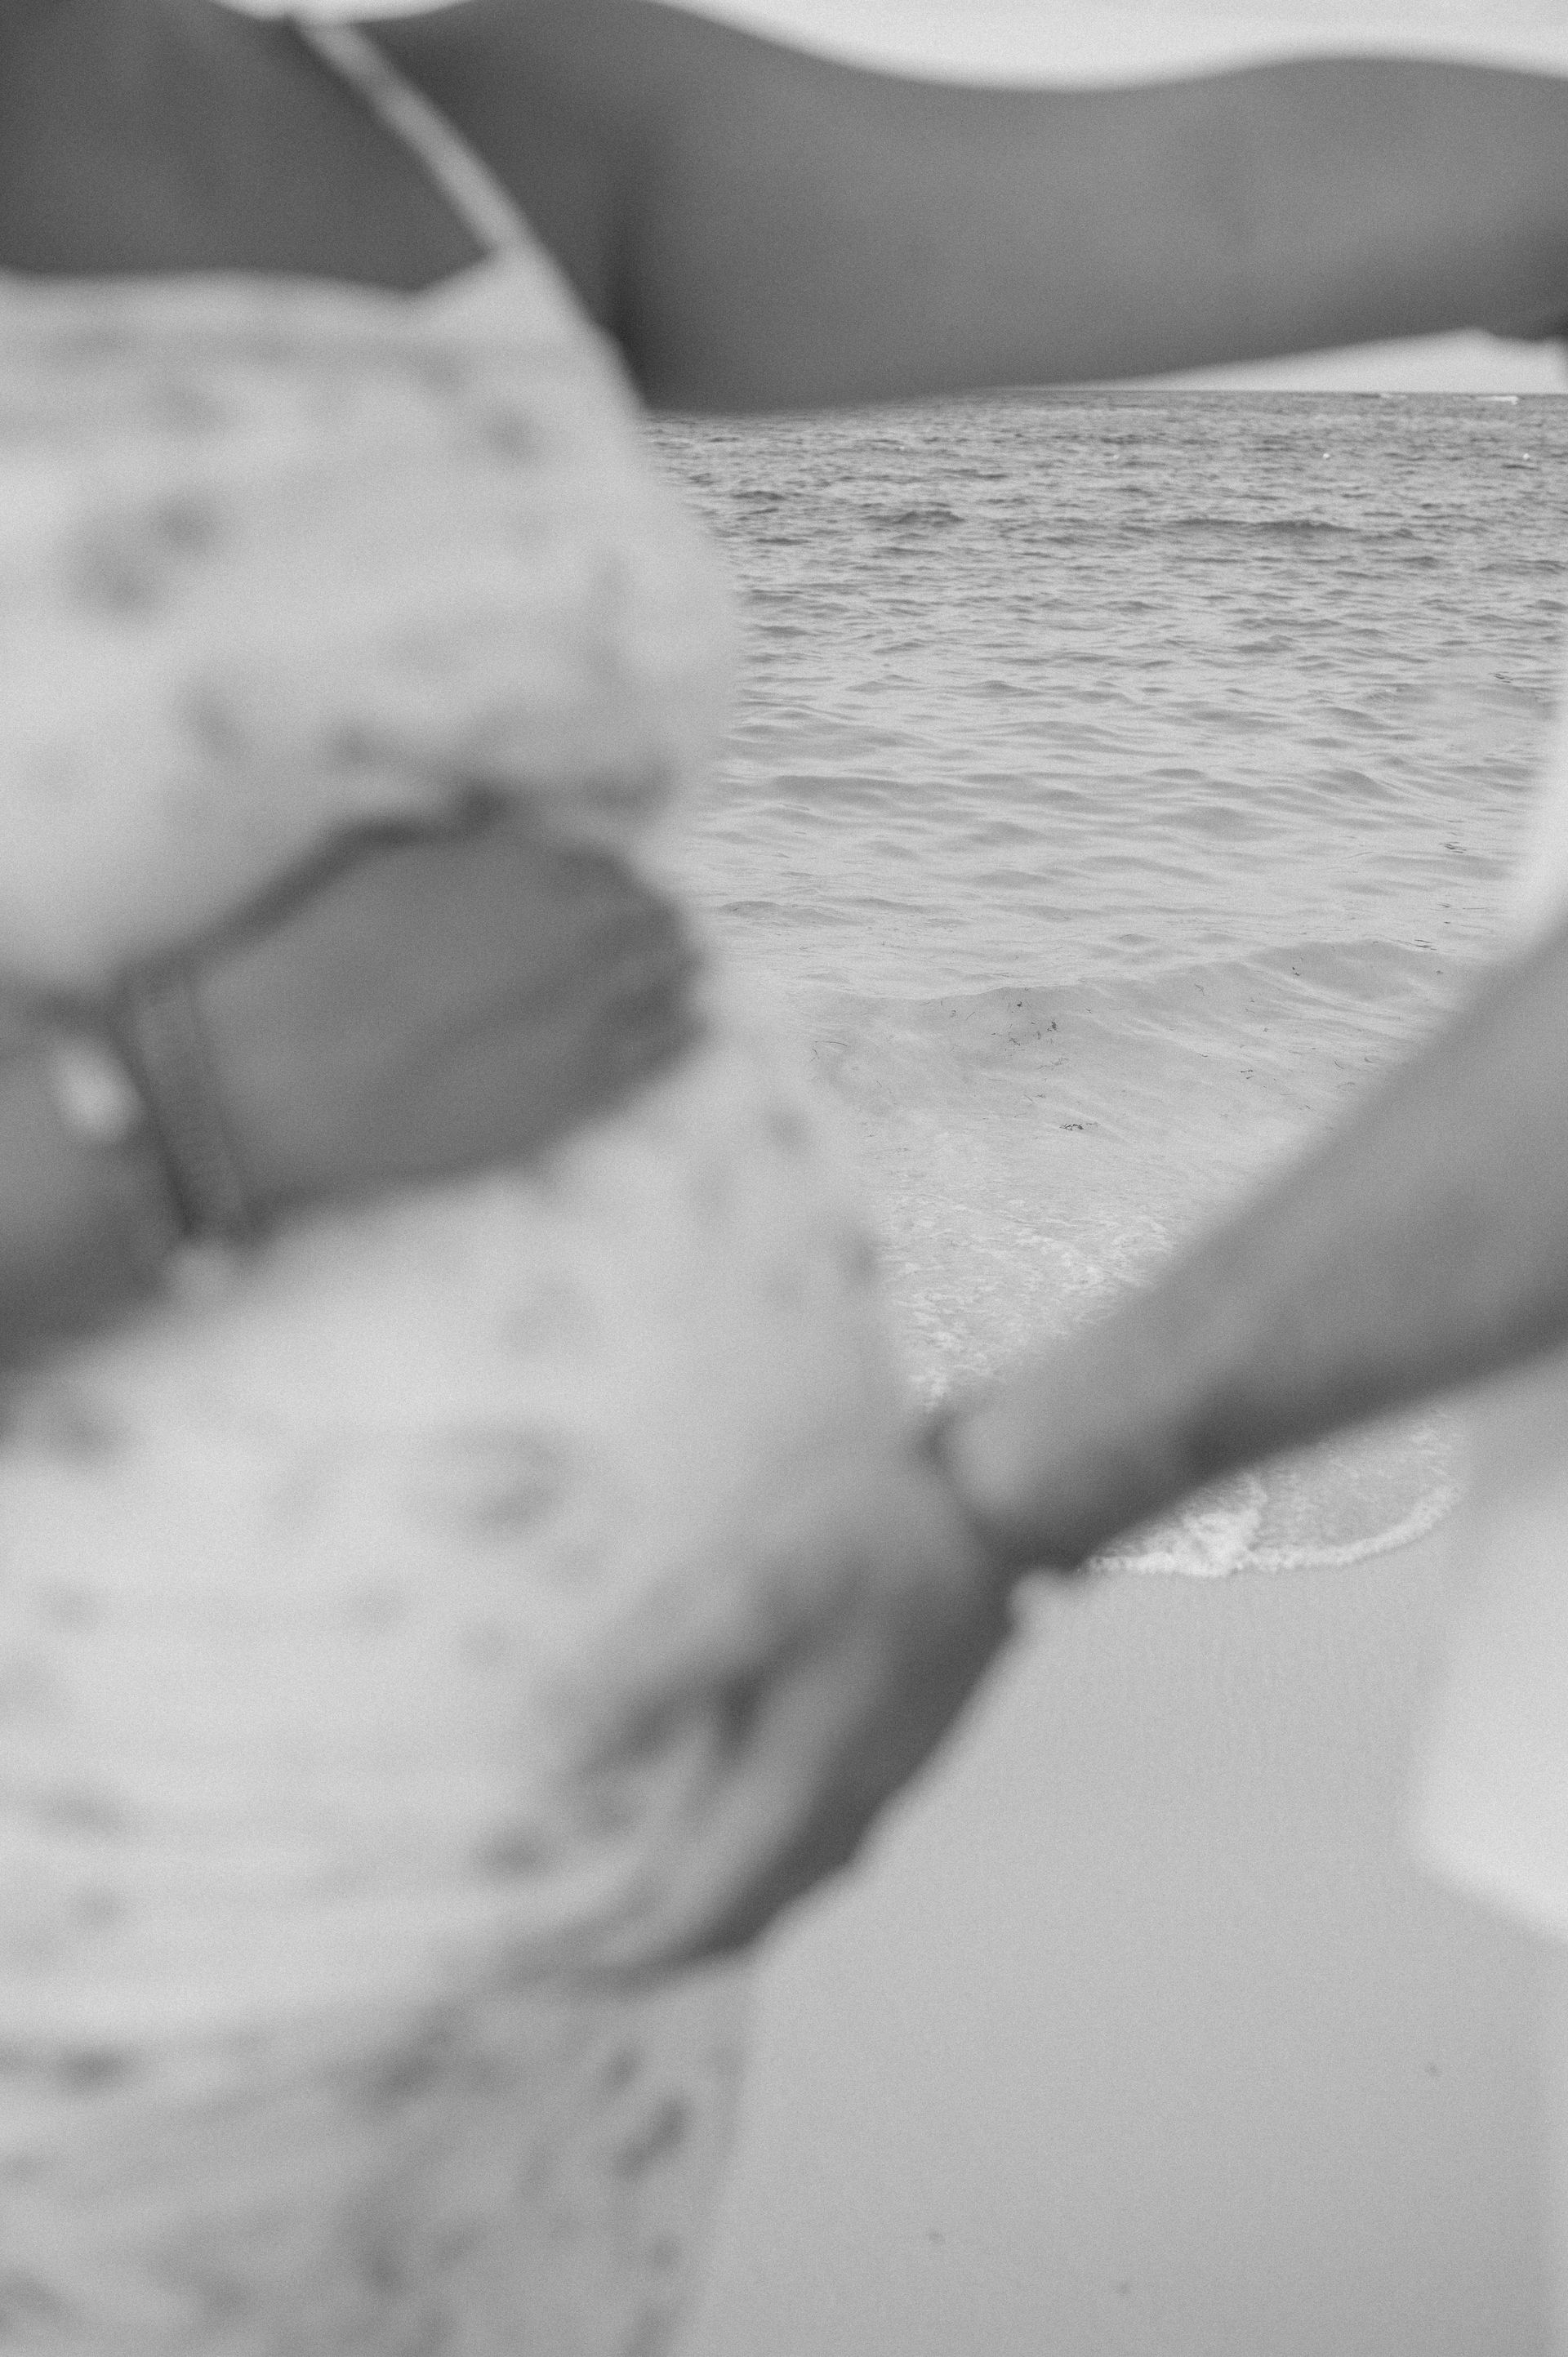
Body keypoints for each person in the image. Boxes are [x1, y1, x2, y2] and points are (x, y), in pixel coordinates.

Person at [2, 4, 1567, 2350]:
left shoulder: (451, 125)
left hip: (582, 1975)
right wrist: (177, 1111)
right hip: (94, 1986)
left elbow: (1223, 191)